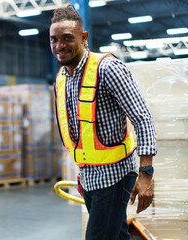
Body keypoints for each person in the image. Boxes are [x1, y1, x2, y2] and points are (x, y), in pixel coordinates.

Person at [50, 5, 157, 240]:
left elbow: (142, 117)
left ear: (83, 37)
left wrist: (146, 174)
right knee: (117, 236)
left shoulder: (107, 69)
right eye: (54, 39)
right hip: (88, 175)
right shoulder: (62, 79)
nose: (59, 46)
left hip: (115, 175)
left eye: (67, 38)